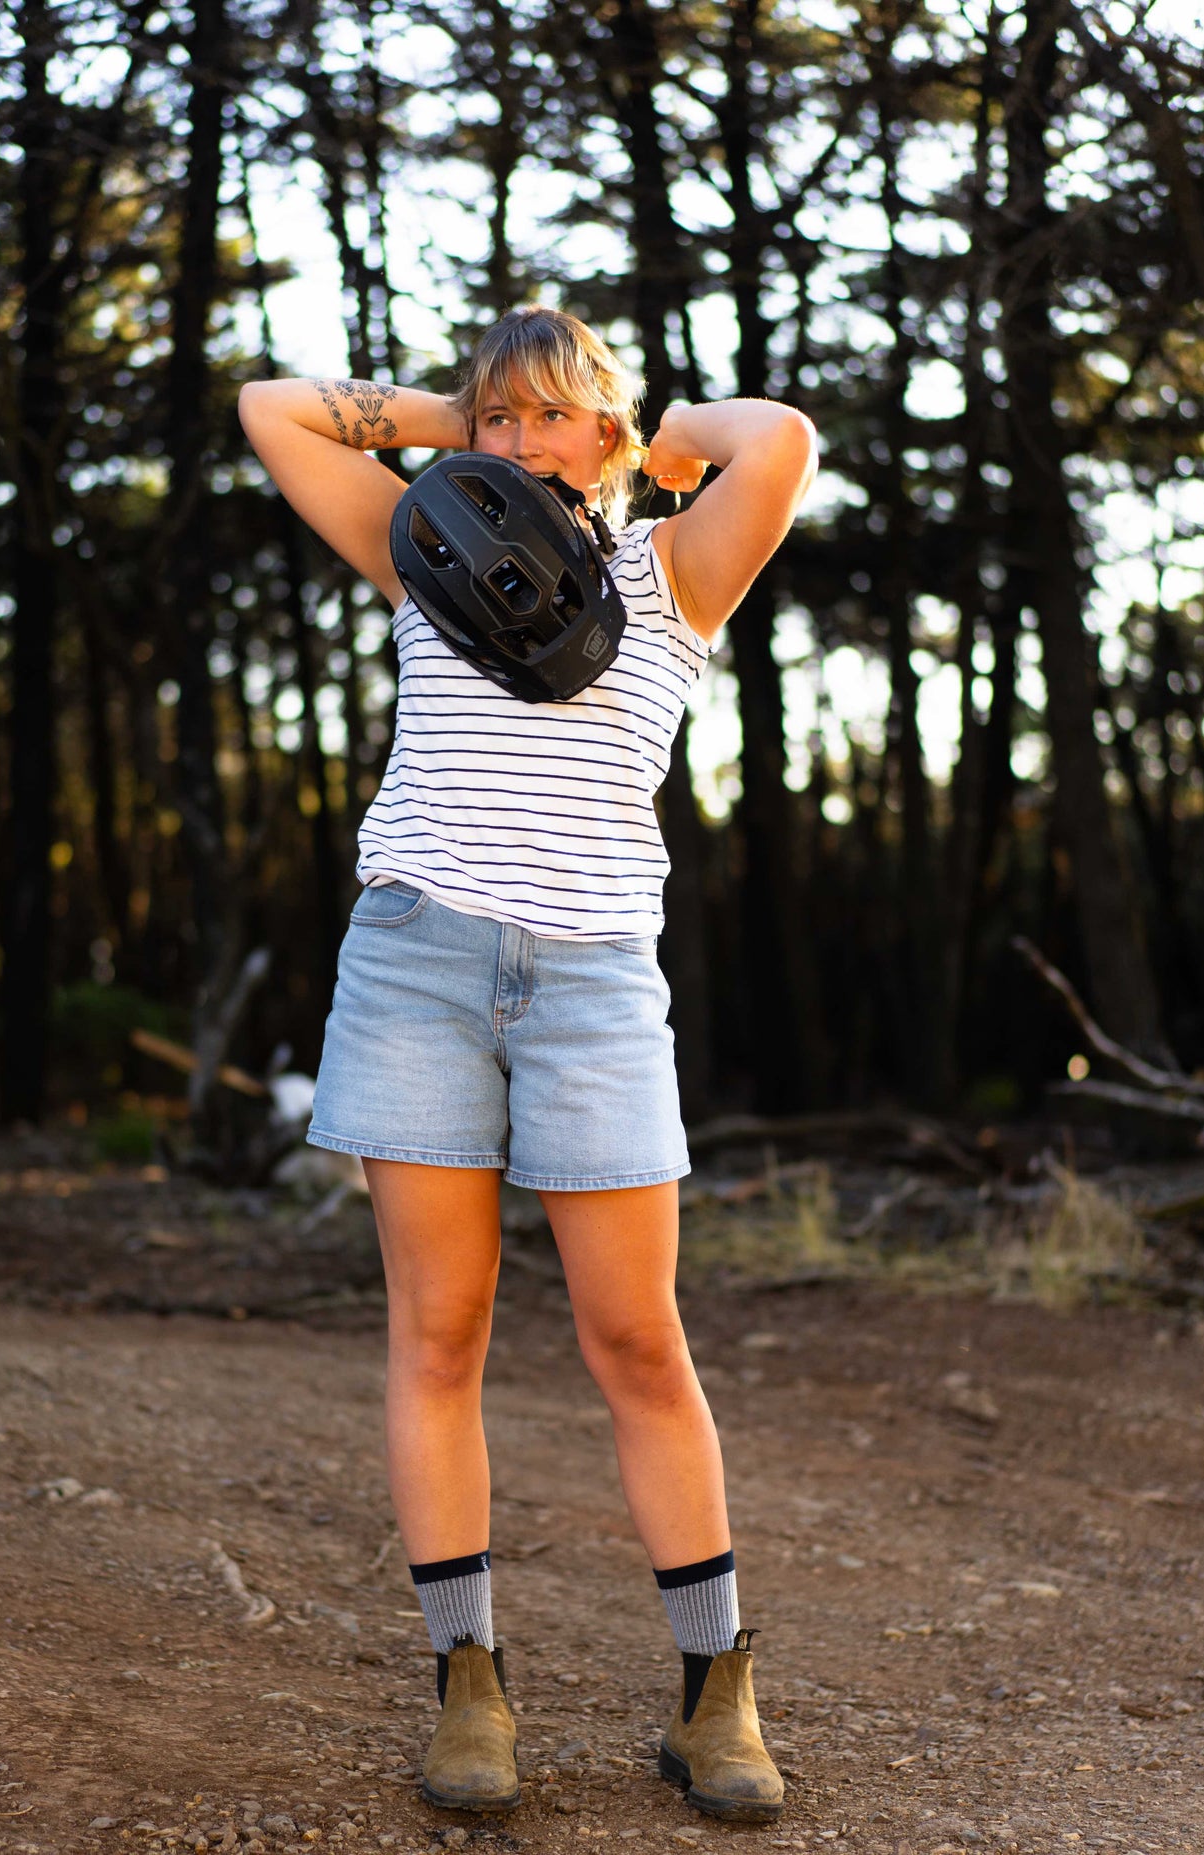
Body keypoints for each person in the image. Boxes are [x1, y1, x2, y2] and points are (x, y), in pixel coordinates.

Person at [238, 307, 817, 1824]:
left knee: (637, 1340)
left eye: (548, 417)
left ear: (609, 435)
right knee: (441, 1335)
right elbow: (271, 409)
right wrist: (457, 421)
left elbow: (783, 444)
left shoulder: (673, 572)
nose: (514, 444)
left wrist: (660, 439)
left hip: (593, 991)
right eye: (498, 421)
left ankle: (715, 1697)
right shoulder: (424, 564)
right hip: (418, 965)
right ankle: (471, 1690)